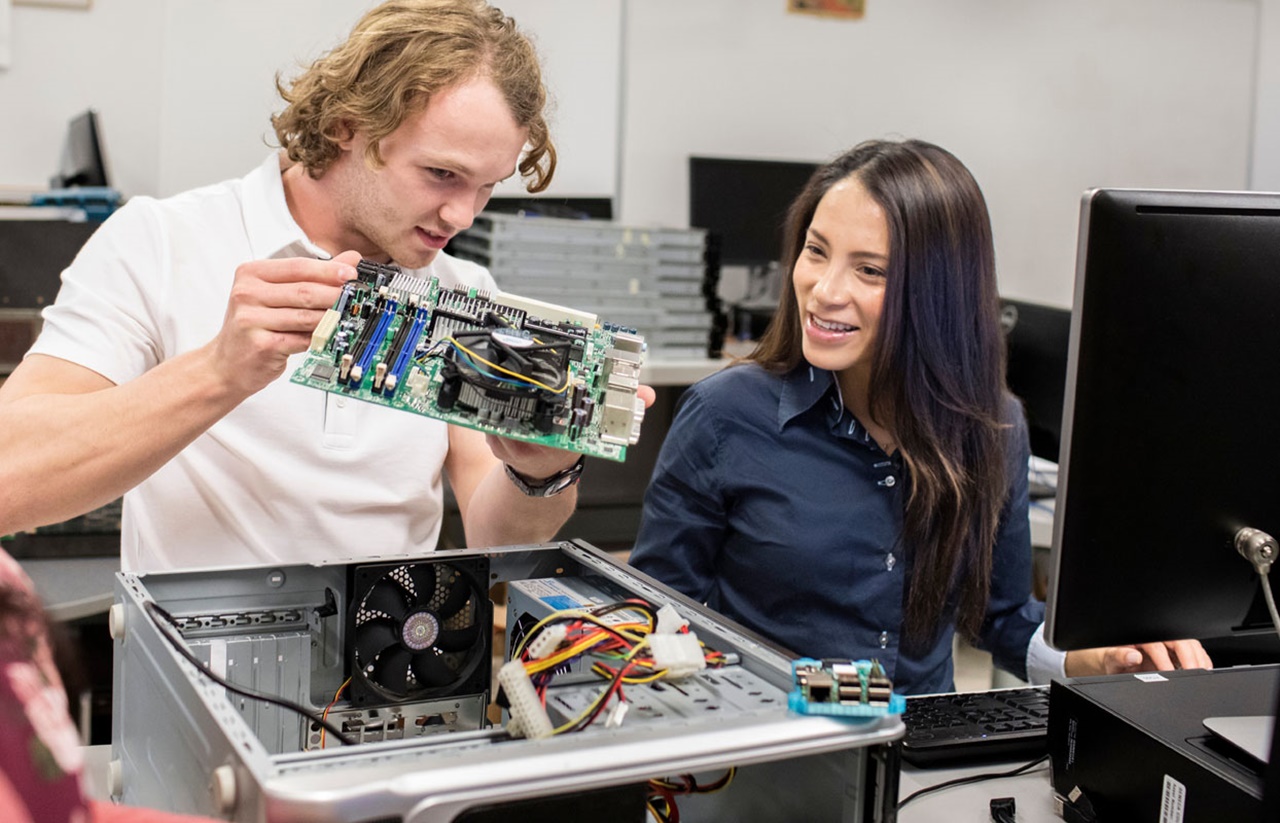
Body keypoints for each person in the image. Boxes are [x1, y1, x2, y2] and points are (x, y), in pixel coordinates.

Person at [0, 0, 640, 570]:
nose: (463, 216)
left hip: (387, 671)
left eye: (486, 185)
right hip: (190, 679)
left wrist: (538, 472)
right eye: (442, 173)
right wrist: (219, 372)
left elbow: (497, 539)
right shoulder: (162, 241)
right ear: (345, 125)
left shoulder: (463, 292)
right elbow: (10, 481)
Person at [627, 139, 1210, 694]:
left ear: (938, 291)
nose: (824, 290)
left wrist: (1096, 658)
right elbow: (655, 618)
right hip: (771, 758)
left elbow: (1000, 618)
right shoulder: (725, 415)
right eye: (816, 250)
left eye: (870, 270)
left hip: (923, 758)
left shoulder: (993, 429)